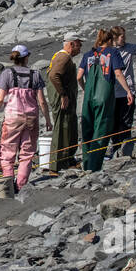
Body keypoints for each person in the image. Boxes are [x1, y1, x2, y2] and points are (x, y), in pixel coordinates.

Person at [0, 44, 52, 193]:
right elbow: (41, 101)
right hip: (31, 118)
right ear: (26, 57)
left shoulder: (7, 74)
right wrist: (47, 120)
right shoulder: (35, 74)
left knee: (7, 153)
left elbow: (0, 99)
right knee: (27, 154)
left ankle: (8, 186)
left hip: (12, 118)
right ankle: (20, 186)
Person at [77, 30, 133, 172]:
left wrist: (85, 89)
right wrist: (127, 90)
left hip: (89, 96)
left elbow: (79, 77)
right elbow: (118, 73)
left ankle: (86, 163)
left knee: (87, 129)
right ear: (109, 40)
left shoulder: (88, 54)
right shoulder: (112, 52)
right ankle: (95, 166)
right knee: (102, 129)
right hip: (105, 95)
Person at [46, 33, 82, 171]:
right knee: (61, 128)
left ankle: (67, 159)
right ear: (71, 44)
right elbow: (54, 75)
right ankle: (55, 165)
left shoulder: (61, 56)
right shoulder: (63, 57)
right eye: (78, 44)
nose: (80, 47)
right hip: (62, 98)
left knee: (68, 127)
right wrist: (63, 95)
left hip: (65, 97)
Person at [108, 26, 136, 158]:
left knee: (127, 120)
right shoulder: (108, 51)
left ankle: (126, 145)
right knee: (115, 121)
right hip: (113, 92)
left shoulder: (129, 48)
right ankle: (116, 145)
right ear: (115, 38)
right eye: (122, 37)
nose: (125, 39)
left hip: (127, 91)